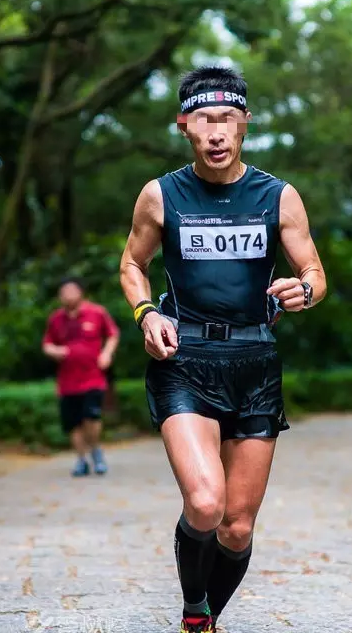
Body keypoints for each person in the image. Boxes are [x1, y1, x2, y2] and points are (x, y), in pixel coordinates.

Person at [120, 66, 327, 633]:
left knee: (236, 527)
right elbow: (132, 265)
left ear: (244, 125)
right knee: (205, 503)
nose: (217, 132)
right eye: (205, 120)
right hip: (183, 360)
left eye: (228, 119)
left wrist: (303, 289)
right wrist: (147, 313)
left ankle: (207, 614)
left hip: (255, 364)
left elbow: (314, 271)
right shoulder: (161, 195)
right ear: (184, 125)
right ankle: (194, 613)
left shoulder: (277, 196)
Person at [42, 277, 120, 476]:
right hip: (67, 382)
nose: (67, 295)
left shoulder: (97, 312)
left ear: (81, 292)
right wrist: (54, 351)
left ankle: (95, 451)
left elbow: (112, 334)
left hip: (93, 378)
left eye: (71, 290)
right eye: (63, 292)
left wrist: (106, 353)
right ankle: (81, 460)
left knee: (91, 416)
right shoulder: (56, 319)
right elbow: (47, 344)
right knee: (73, 423)